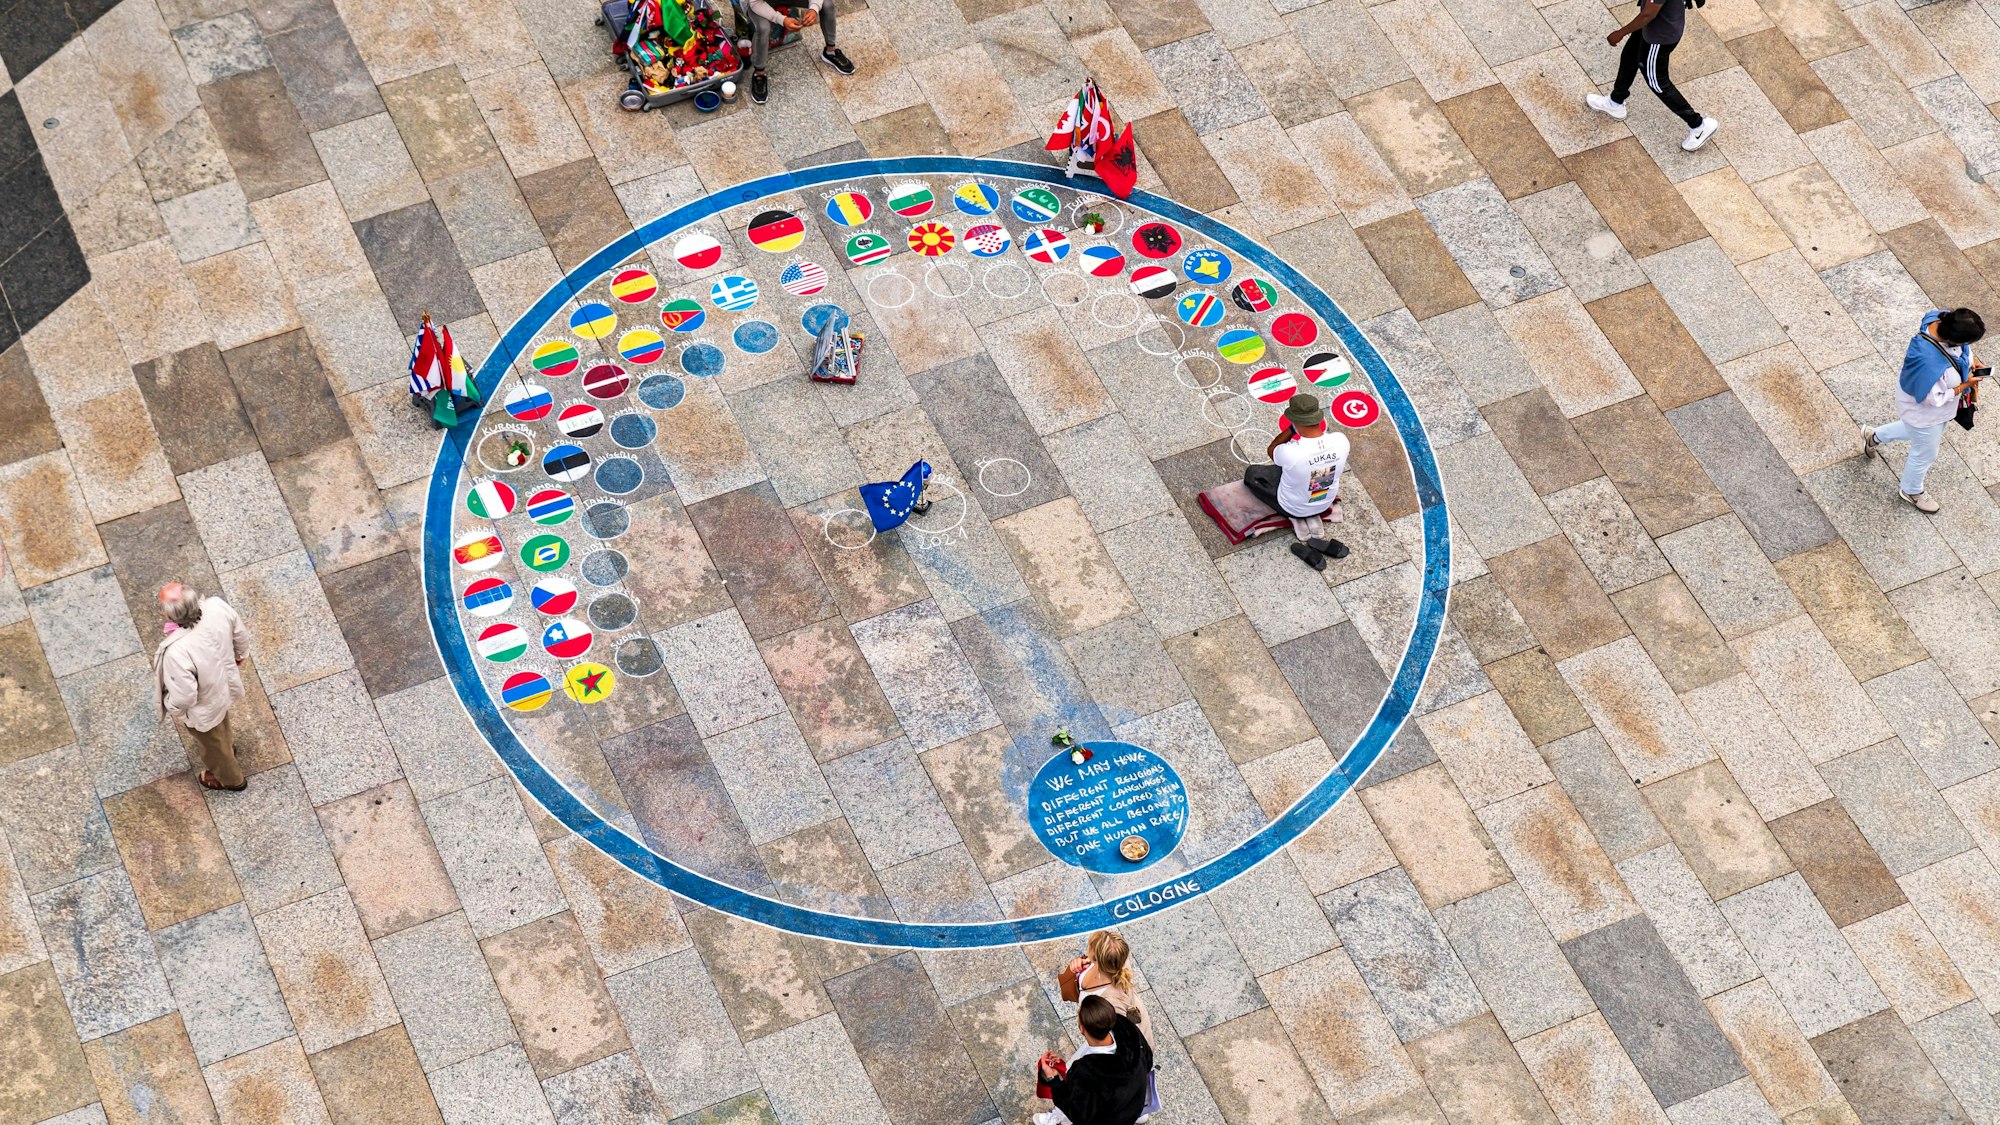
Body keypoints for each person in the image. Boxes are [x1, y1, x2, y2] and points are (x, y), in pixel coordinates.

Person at [1865, 307, 1987, 513]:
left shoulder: (1940, 320)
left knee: (1915, 431)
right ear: (1954, 339)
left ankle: (1874, 436)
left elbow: (1960, 352)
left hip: (1929, 414)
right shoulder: (1928, 363)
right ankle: (1911, 490)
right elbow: (1934, 399)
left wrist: (1973, 362)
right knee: (1925, 453)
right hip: (1924, 411)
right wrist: (1965, 386)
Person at [152, 583, 252, 792]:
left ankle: (231, 779)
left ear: (168, 615)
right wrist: (239, 656)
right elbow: (240, 634)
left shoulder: (176, 651)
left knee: (212, 746)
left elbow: (185, 696)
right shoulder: (216, 606)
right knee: (221, 724)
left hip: (203, 706)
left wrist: (170, 705)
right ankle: (228, 747)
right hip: (225, 685)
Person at [1584, 0, 1719, 152]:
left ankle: (1698, 124)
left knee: (1657, 83)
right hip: (1654, 25)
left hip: (1658, 38)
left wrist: (1620, 33)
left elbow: (1649, 13)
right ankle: (1616, 101)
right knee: (1630, 55)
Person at [1241, 394, 1351, 571]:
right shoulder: (1341, 440)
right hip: (1324, 503)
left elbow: (1272, 451)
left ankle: (1296, 515)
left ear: (1294, 420)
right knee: (1309, 474)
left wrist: (1292, 430)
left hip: (1291, 506)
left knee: (1254, 474)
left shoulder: (1291, 452)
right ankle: (1310, 518)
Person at [1033, 995, 1153, 1125]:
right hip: (1134, 1102)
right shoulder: (1125, 1027)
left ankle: (1058, 1119)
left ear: (1082, 1028)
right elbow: (1148, 1059)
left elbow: (1078, 1113)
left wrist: (1054, 1080)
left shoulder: (1087, 1073)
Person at [742, 0, 854, 105]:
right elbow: (755, 3)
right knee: (763, 27)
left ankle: (831, 52)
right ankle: (759, 73)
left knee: (827, 4)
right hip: (756, 3)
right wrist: (781, 19)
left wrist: (814, 8)